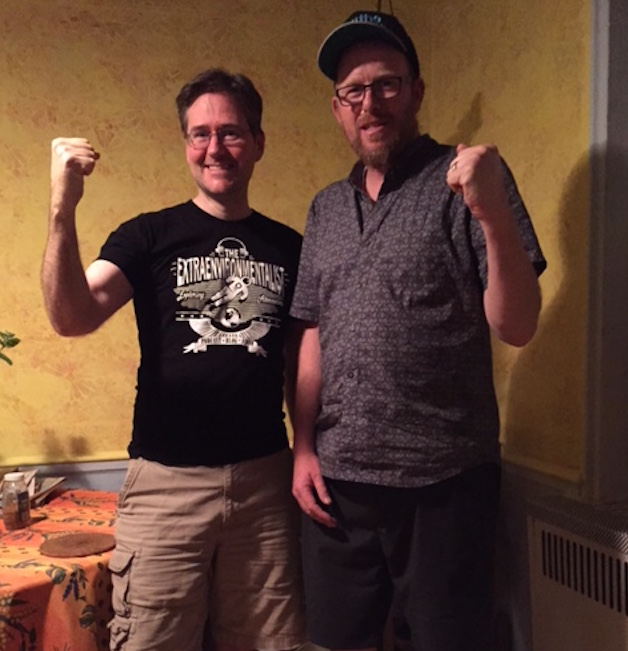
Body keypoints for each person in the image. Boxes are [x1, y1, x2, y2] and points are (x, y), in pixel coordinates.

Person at [290, 11, 546, 651]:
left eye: (387, 84)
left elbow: (517, 325)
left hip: (446, 484)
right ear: (337, 109)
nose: (370, 103)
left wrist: (489, 209)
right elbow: (313, 330)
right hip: (338, 484)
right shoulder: (325, 207)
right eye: (354, 91)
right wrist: (302, 446)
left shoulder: (468, 179)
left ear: (416, 91)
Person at [42, 68, 306, 651]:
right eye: (200, 134)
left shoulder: (290, 247)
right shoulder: (147, 236)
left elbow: (301, 364)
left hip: (265, 484)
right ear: (186, 143)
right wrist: (62, 210)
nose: (215, 148)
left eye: (231, 132)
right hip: (165, 487)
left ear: (258, 143)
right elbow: (71, 316)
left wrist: (307, 451)